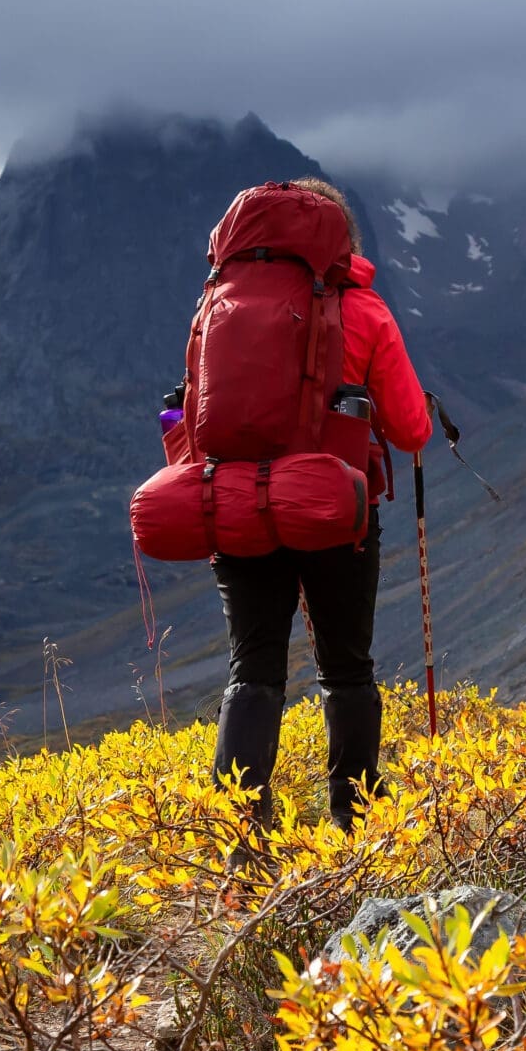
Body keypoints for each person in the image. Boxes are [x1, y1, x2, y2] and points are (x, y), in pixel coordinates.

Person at [212, 177, 431, 831]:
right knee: (346, 665)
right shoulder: (363, 312)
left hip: (241, 508)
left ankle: (240, 840)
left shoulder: (220, 305)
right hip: (336, 512)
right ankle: (351, 822)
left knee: (253, 666)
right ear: (341, 240)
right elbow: (411, 429)